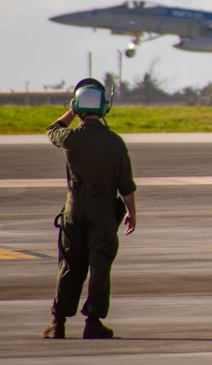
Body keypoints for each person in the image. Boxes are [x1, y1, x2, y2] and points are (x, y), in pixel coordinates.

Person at [43, 78, 137, 340]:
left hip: (74, 211)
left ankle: (57, 322)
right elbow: (125, 185)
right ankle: (93, 322)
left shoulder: (70, 138)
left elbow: (52, 129)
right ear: (105, 108)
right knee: (100, 267)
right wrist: (132, 212)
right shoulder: (115, 143)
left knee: (71, 265)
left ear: (77, 106)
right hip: (104, 212)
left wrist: (72, 111)